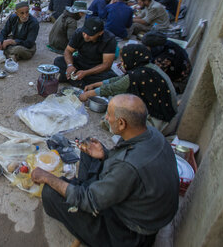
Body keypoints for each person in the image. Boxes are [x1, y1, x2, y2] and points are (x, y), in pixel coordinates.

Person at [32, 94, 179, 247]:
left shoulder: (127, 166)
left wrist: (48, 177)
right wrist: (104, 155)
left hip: (129, 233)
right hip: (135, 201)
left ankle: (82, 198)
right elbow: (125, 166)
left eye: (109, 115)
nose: (106, 118)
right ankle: (83, 191)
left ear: (121, 123)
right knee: (88, 148)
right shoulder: (152, 134)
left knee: (50, 192)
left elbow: (124, 171)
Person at [79, 44, 178, 132]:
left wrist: (87, 94)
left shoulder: (139, 75)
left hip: (159, 121)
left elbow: (113, 88)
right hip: (166, 112)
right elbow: (120, 79)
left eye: (123, 61)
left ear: (131, 60)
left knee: (114, 108)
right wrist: (96, 84)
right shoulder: (146, 66)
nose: (121, 64)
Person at [53, 17, 117, 87]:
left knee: (112, 78)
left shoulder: (109, 39)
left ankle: (73, 80)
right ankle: (81, 83)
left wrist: (86, 73)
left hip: (96, 68)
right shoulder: (79, 33)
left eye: (90, 34)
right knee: (58, 61)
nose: (86, 36)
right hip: (80, 62)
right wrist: (70, 65)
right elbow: (68, 51)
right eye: (85, 32)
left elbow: (106, 65)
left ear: (100, 33)